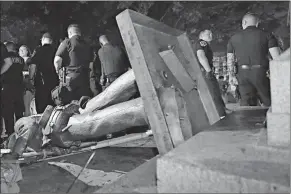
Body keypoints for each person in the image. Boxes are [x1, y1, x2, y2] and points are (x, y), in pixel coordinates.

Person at [226, 13, 280, 107]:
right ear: (257, 23)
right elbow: (277, 57)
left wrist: (231, 76)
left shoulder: (233, 38)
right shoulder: (267, 35)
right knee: (269, 103)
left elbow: (230, 58)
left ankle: (247, 120)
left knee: (246, 104)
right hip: (261, 73)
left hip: (242, 74)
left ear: (244, 22)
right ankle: (270, 120)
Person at [53, 24, 94, 106]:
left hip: (70, 78)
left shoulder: (67, 42)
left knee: (67, 105)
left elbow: (57, 60)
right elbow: (91, 62)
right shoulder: (87, 45)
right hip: (84, 78)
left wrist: (58, 71)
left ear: (70, 32)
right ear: (79, 33)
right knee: (83, 104)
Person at [194, 29, 227, 118]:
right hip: (205, 71)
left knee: (215, 90)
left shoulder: (204, 44)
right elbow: (201, 56)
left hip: (204, 71)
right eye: (208, 34)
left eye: (211, 34)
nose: (211, 35)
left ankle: (221, 110)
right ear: (201, 36)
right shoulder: (202, 43)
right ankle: (221, 114)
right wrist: (208, 70)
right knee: (214, 92)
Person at [28, 33, 59, 113]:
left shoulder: (38, 50)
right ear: (51, 41)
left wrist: (31, 79)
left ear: (43, 39)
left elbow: (33, 65)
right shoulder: (56, 50)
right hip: (54, 81)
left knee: (41, 105)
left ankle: (41, 122)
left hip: (41, 82)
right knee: (53, 104)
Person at [1, 42, 25, 137]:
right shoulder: (21, 59)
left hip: (7, 87)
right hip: (19, 87)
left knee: (8, 111)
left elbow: (6, 66)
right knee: (19, 110)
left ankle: (10, 133)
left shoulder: (6, 58)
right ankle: (21, 132)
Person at [19, 45, 34, 116]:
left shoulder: (29, 60)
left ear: (27, 51)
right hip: (21, 84)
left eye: (23, 50)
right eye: (20, 50)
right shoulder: (18, 60)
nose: (21, 51)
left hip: (27, 84)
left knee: (26, 104)